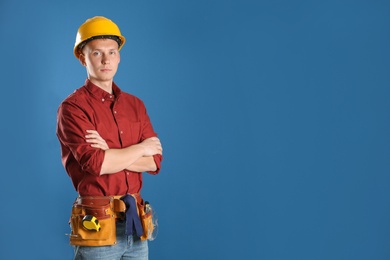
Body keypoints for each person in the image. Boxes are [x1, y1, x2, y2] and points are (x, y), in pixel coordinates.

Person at [56, 16, 163, 259]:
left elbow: (154, 162)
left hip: (136, 226)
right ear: (83, 57)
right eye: (97, 53)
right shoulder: (73, 108)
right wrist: (140, 148)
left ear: (119, 56)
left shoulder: (135, 105)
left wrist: (111, 151)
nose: (106, 60)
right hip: (98, 225)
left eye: (112, 52)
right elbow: (97, 164)